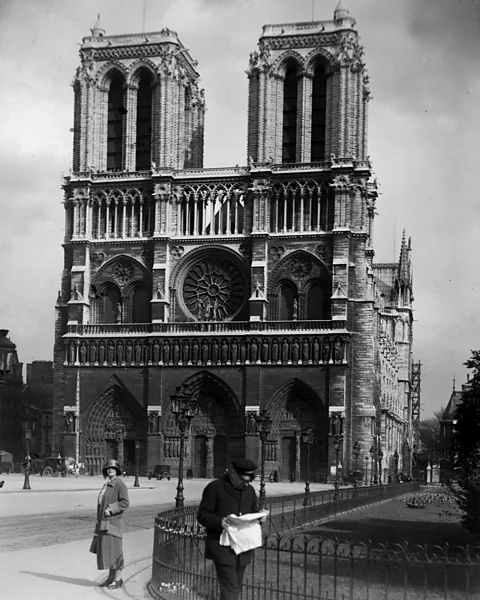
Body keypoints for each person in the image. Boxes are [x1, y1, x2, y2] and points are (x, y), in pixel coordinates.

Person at [197, 458, 263, 600]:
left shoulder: (249, 491)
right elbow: (202, 515)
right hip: (223, 547)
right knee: (231, 587)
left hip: (243, 547)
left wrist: (259, 518)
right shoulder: (215, 488)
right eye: (243, 479)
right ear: (233, 473)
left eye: (249, 481)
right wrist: (219, 521)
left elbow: (252, 512)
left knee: (234, 587)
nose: (246, 484)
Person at [92, 459, 130, 589]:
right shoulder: (107, 484)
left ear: (117, 470)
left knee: (116, 551)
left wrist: (111, 509)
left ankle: (118, 579)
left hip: (113, 523)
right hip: (104, 523)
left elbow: (125, 502)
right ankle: (110, 578)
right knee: (109, 552)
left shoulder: (119, 484)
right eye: (108, 468)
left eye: (112, 468)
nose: (110, 470)